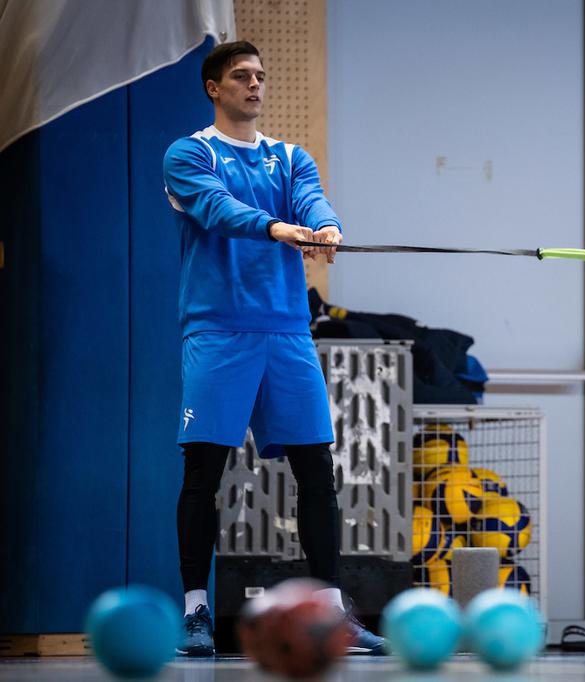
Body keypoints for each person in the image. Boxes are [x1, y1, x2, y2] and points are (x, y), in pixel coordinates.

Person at [162, 40, 386, 656]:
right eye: (241, 77)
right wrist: (276, 227)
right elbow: (217, 208)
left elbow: (310, 199)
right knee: (202, 472)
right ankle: (196, 614)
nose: (255, 85)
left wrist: (326, 225)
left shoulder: (289, 158)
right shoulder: (189, 154)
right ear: (214, 86)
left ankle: (336, 614)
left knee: (317, 470)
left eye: (260, 76)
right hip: (218, 331)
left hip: (287, 333)